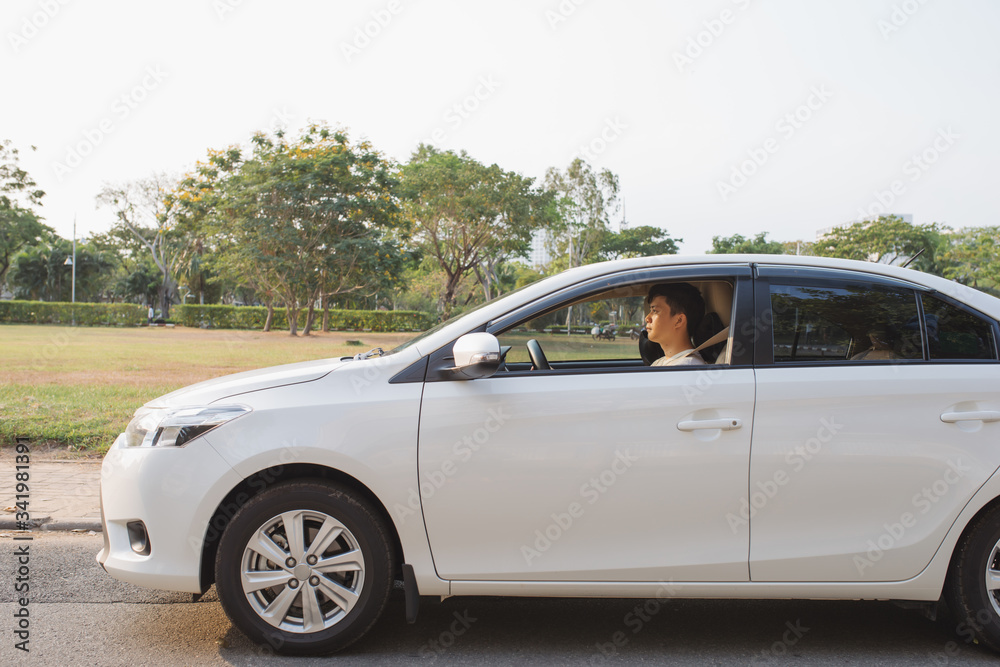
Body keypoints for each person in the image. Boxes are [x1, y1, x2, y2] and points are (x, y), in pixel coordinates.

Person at [645, 283, 707, 367]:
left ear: (679, 321)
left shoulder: (687, 367)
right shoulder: (663, 362)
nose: (647, 318)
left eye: (655, 311)